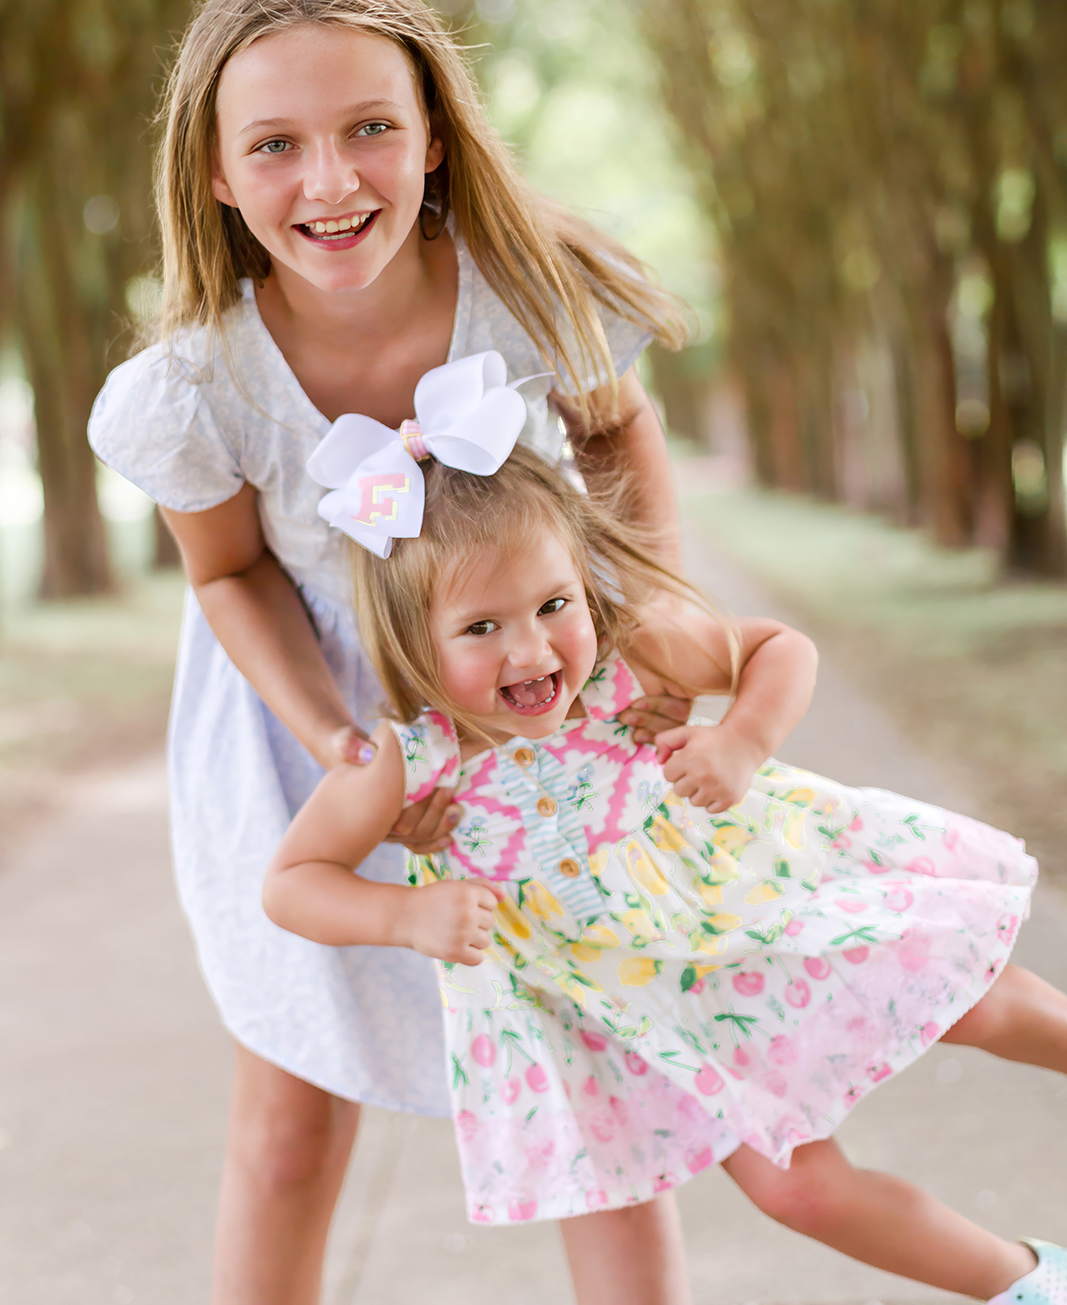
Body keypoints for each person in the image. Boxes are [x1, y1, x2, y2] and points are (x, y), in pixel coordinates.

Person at [87, 0, 696, 1304]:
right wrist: (340, 736)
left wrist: (648, 618)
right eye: (275, 146)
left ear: (431, 134)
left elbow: (618, 435)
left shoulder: (526, 282)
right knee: (293, 1120)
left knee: (592, 1090)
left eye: (369, 127)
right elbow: (231, 574)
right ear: (213, 173)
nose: (328, 180)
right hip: (309, 730)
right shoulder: (199, 384)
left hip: (521, 714)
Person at [264, 414, 1067, 1305]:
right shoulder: (406, 763)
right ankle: (1028, 1286)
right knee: (798, 1188)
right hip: (638, 1006)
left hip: (743, 906)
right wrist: (400, 915)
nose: (530, 649)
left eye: (552, 605)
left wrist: (741, 739)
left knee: (956, 991)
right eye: (481, 626)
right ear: (415, 638)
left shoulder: (626, 662)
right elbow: (292, 883)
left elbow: (776, 649)